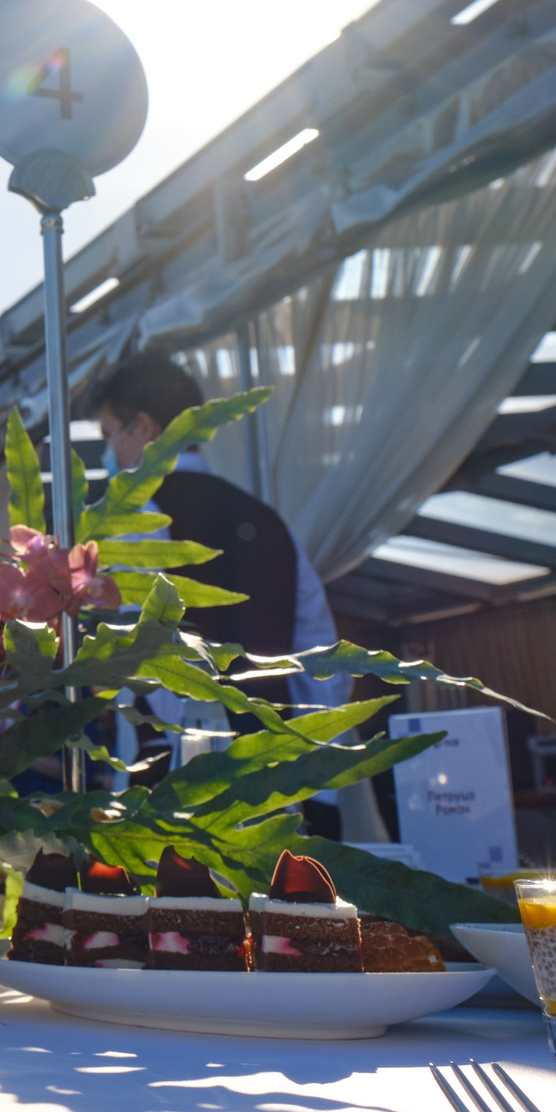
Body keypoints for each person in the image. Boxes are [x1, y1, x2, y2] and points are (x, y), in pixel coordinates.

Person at [87, 355, 377, 833]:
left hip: (176, 799)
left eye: (108, 433)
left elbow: (147, 669)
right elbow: (325, 664)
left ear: (142, 427)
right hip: (277, 786)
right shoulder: (268, 521)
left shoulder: (137, 519)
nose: (106, 452)